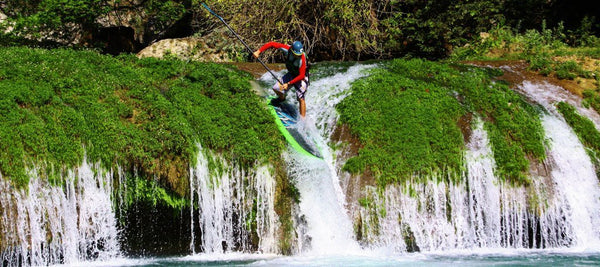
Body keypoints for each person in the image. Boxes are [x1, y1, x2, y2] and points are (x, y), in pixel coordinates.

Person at [253, 40, 309, 117]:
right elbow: (272, 44)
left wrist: (288, 83)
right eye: (296, 54)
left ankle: (303, 120)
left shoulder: (302, 58)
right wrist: (259, 51)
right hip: (291, 74)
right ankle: (282, 99)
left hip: (301, 78)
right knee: (276, 88)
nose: (298, 56)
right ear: (292, 51)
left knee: (301, 99)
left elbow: (301, 76)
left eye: (299, 54)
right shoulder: (287, 49)